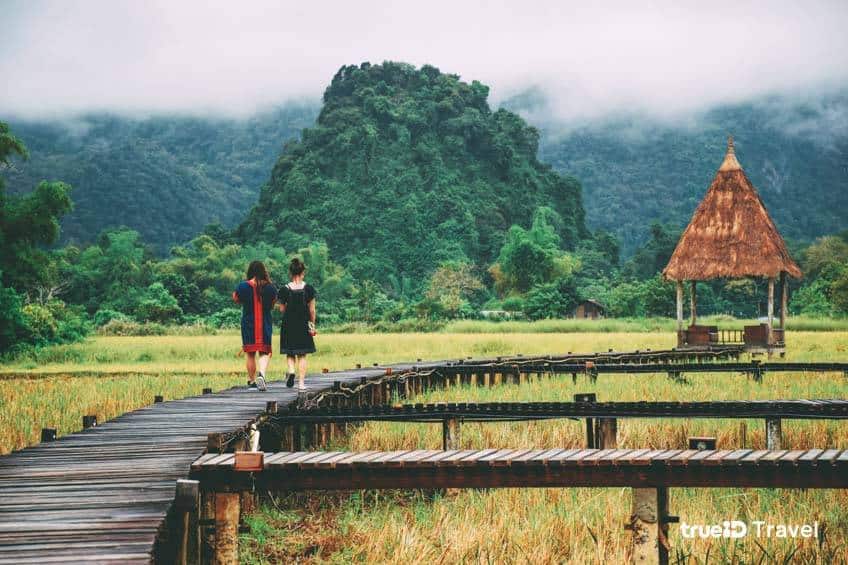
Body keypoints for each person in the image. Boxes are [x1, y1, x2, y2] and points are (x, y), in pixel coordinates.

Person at [233, 260, 277, 391]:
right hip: (265, 323)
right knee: (265, 352)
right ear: (264, 271)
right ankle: (261, 374)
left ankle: (252, 381)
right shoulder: (270, 287)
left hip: (248, 323)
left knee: (250, 353)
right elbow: (273, 304)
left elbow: (236, 298)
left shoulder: (243, 286)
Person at [278, 257, 317, 392]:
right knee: (302, 354)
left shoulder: (284, 289)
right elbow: (312, 311)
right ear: (303, 273)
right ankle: (301, 384)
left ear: (290, 273)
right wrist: (312, 326)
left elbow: (281, 309)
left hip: (288, 325)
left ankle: (291, 371)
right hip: (303, 324)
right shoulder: (308, 289)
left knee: (290, 352)